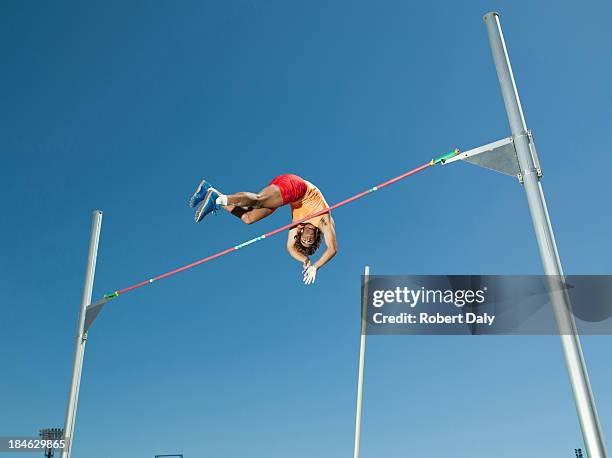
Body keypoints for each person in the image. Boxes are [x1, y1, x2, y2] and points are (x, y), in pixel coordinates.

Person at [189, 174, 337, 285]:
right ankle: (217, 200)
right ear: (316, 237)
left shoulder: (298, 224)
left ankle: (211, 192)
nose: (306, 240)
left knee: (249, 218)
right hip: (297, 187)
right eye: (309, 242)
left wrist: (305, 260)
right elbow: (332, 249)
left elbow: (290, 248)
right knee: (258, 200)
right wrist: (316, 267)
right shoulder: (323, 220)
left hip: (288, 196)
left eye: (303, 241)